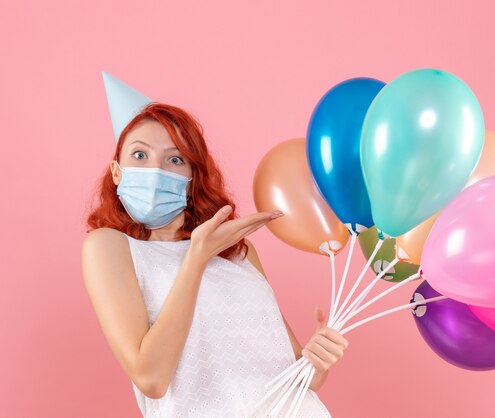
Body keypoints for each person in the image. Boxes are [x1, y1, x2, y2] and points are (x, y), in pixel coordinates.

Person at [81, 102, 349, 417]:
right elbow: (151, 379)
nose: (156, 170)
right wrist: (196, 256)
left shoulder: (239, 251)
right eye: (140, 155)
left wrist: (316, 360)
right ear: (116, 172)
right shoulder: (110, 247)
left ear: (192, 178)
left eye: (175, 159)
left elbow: (298, 377)